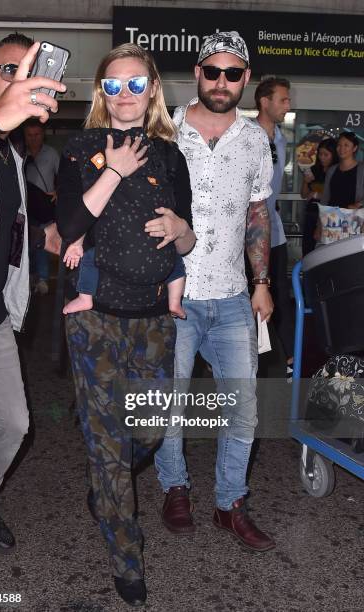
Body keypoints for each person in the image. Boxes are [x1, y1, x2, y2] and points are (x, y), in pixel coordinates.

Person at [56, 43, 195, 606]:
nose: (125, 96)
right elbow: (68, 224)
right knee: (109, 451)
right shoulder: (84, 147)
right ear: (101, 94)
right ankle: (126, 557)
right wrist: (112, 170)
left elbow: (188, 240)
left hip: (156, 320)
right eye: (113, 86)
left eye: (136, 84)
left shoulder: (170, 155)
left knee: (151, 432)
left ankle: (105, 488)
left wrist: (180, 228)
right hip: (97, 323)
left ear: (153, 89)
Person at [154, 31, 276, 552]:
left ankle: (230, 503)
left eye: (232, 73)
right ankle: (174, 487)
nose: (221, 82)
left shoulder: (254, 141)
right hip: (170, 293)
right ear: (196, 74)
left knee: (242, 407)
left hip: (231, 297)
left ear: (245, 80)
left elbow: (257, 215)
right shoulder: (165, 131)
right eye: (212, 71)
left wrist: (262, 283)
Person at [0, 33, 66, 590]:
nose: (19, 82)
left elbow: (5, 219)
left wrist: (48, 233)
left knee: (13, 426)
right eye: (9, 69)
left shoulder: (10, 150)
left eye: (30, 74)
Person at [255, 76, 295, 381]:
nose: (288, 105)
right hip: (251, 235)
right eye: (283, 99)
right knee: (253, 296)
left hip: (276, 232)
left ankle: (285, 359)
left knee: (280, 295)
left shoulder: (281, 139)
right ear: (264, 102)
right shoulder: (246, 136)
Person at [61, 237, 187, 318]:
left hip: (126, 242)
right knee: (175, 259)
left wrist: (77, 243)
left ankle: (85, 298)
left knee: (89, 257)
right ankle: (174, 302)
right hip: (155, 247)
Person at [24, 120, 60, 295]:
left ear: (43, 134)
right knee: (25, 245)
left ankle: (43, 279)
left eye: (37, 135)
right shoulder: (20, 153)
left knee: (43, 243)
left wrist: (58, 192)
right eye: (30, 135)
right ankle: (29, 278)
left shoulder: (51, 154)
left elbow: (64, 177)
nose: (33, 139)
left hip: (44, 206)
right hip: (25, 206)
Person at [300, 138, 338, 254]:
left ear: (334, 155)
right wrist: (306, 182)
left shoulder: (337, 171)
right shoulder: (314, 170)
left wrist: (317, 194)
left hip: (328, 216)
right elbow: (304, 195)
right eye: (320, 154)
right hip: (311, 213)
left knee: (324, 251)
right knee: (308, 248)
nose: (322, 157)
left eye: (326, 154)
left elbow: (336, 196)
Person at [322, 131, 364, 209]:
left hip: (353, 218)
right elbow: (325, 196)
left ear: (354, 148)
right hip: (332, 217)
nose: (341, 148)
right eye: (339, 145)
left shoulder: (362, 170)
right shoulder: (331, 170)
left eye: (346, 145)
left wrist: (358, 204)